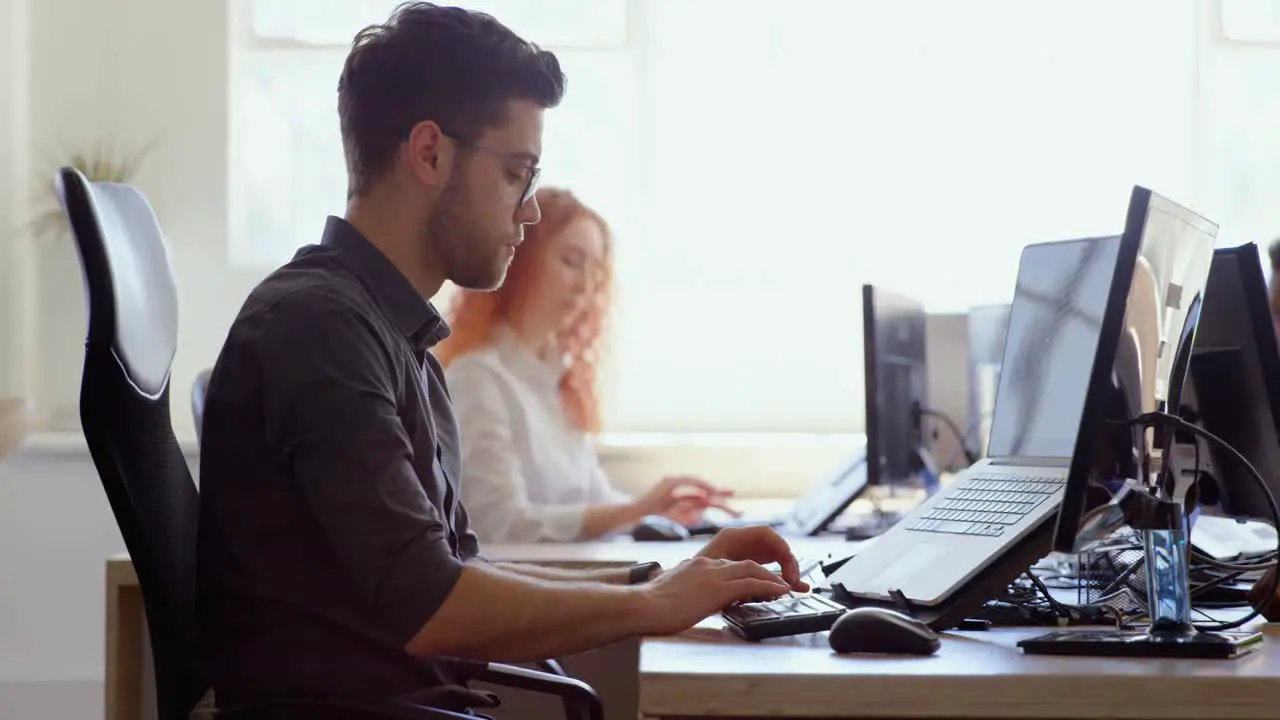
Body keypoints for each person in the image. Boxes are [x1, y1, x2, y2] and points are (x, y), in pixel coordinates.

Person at [195, 2, 805, 715]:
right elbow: (436, 607)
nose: (530, 211)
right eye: (517, 173)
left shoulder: (391, 334)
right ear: (430, 153)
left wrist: (661, 578)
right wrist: (655, 603)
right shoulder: (320, 329)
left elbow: (457, 574)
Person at [434, 187, 738, 543]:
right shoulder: (478, 379)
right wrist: (635, 511)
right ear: (519, 260)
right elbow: (498, 524)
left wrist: (657, 511)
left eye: (595, 271)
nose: (586, 286)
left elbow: (595, 502)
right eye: (571, 261)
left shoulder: (555, 381)